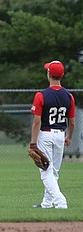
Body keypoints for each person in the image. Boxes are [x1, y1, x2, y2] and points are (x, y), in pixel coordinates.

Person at [30, 60, 75, 209]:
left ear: (48, 74)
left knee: (46, 171)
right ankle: (46, 204)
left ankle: (60, 201)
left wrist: (33, 143)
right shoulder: (69, 96)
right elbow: (72, 122)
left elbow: (37, 122)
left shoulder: (41, 95)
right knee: (53, 171)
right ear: (62, 75)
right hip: (60, 135)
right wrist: (69, 137)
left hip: (45, 134)